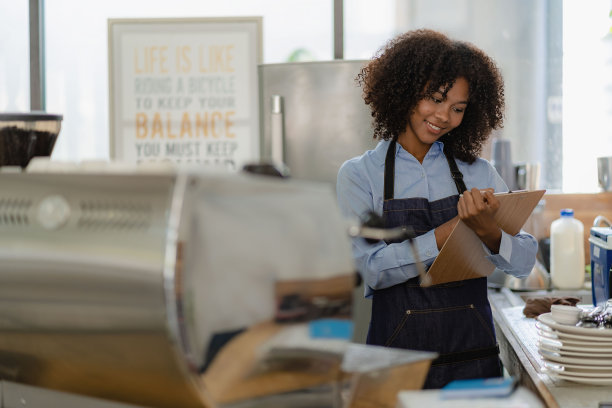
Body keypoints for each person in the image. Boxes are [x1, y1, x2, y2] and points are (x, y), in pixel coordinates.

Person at [336, 29, 537, 389]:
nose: (444, 116)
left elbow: (523, 265)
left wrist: (490, 232)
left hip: (473, 365)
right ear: (405, 90)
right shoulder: (360, 175)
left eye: (458, 108)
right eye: (435, 99)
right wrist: (447, 234)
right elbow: (371, 270)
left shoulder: (479, 171)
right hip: (394, 371)